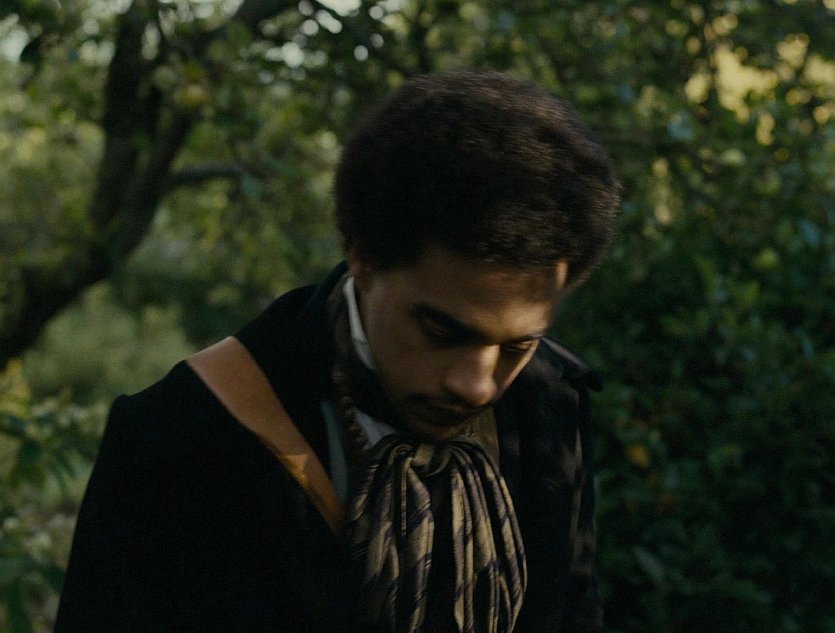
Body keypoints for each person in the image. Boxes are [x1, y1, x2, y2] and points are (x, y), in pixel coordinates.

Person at [55, 70, 620, 633]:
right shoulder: (181, 436)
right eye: (441, 332)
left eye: (518, 344)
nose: (477, 385)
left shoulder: (551, 404)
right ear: (364, 260)